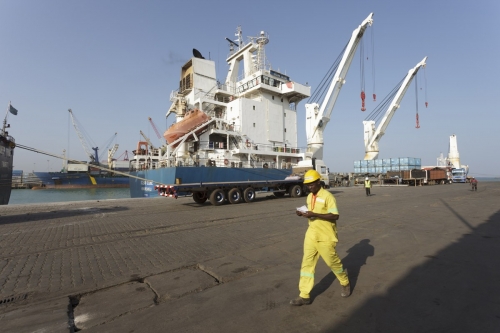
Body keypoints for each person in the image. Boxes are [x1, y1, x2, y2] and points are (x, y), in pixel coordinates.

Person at [290, 170, 350, 306]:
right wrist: (302, 213)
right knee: (307, 264)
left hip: (326, 236)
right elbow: (311, 213)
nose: (310, 187)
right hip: (311, 234)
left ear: (318, 182)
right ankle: (304, 295)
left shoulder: (328, 196)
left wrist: (314, 214)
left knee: (332, 263)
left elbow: (335, 216)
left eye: (312, 184)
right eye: (308, 185)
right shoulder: (309, 196)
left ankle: (345, 282)